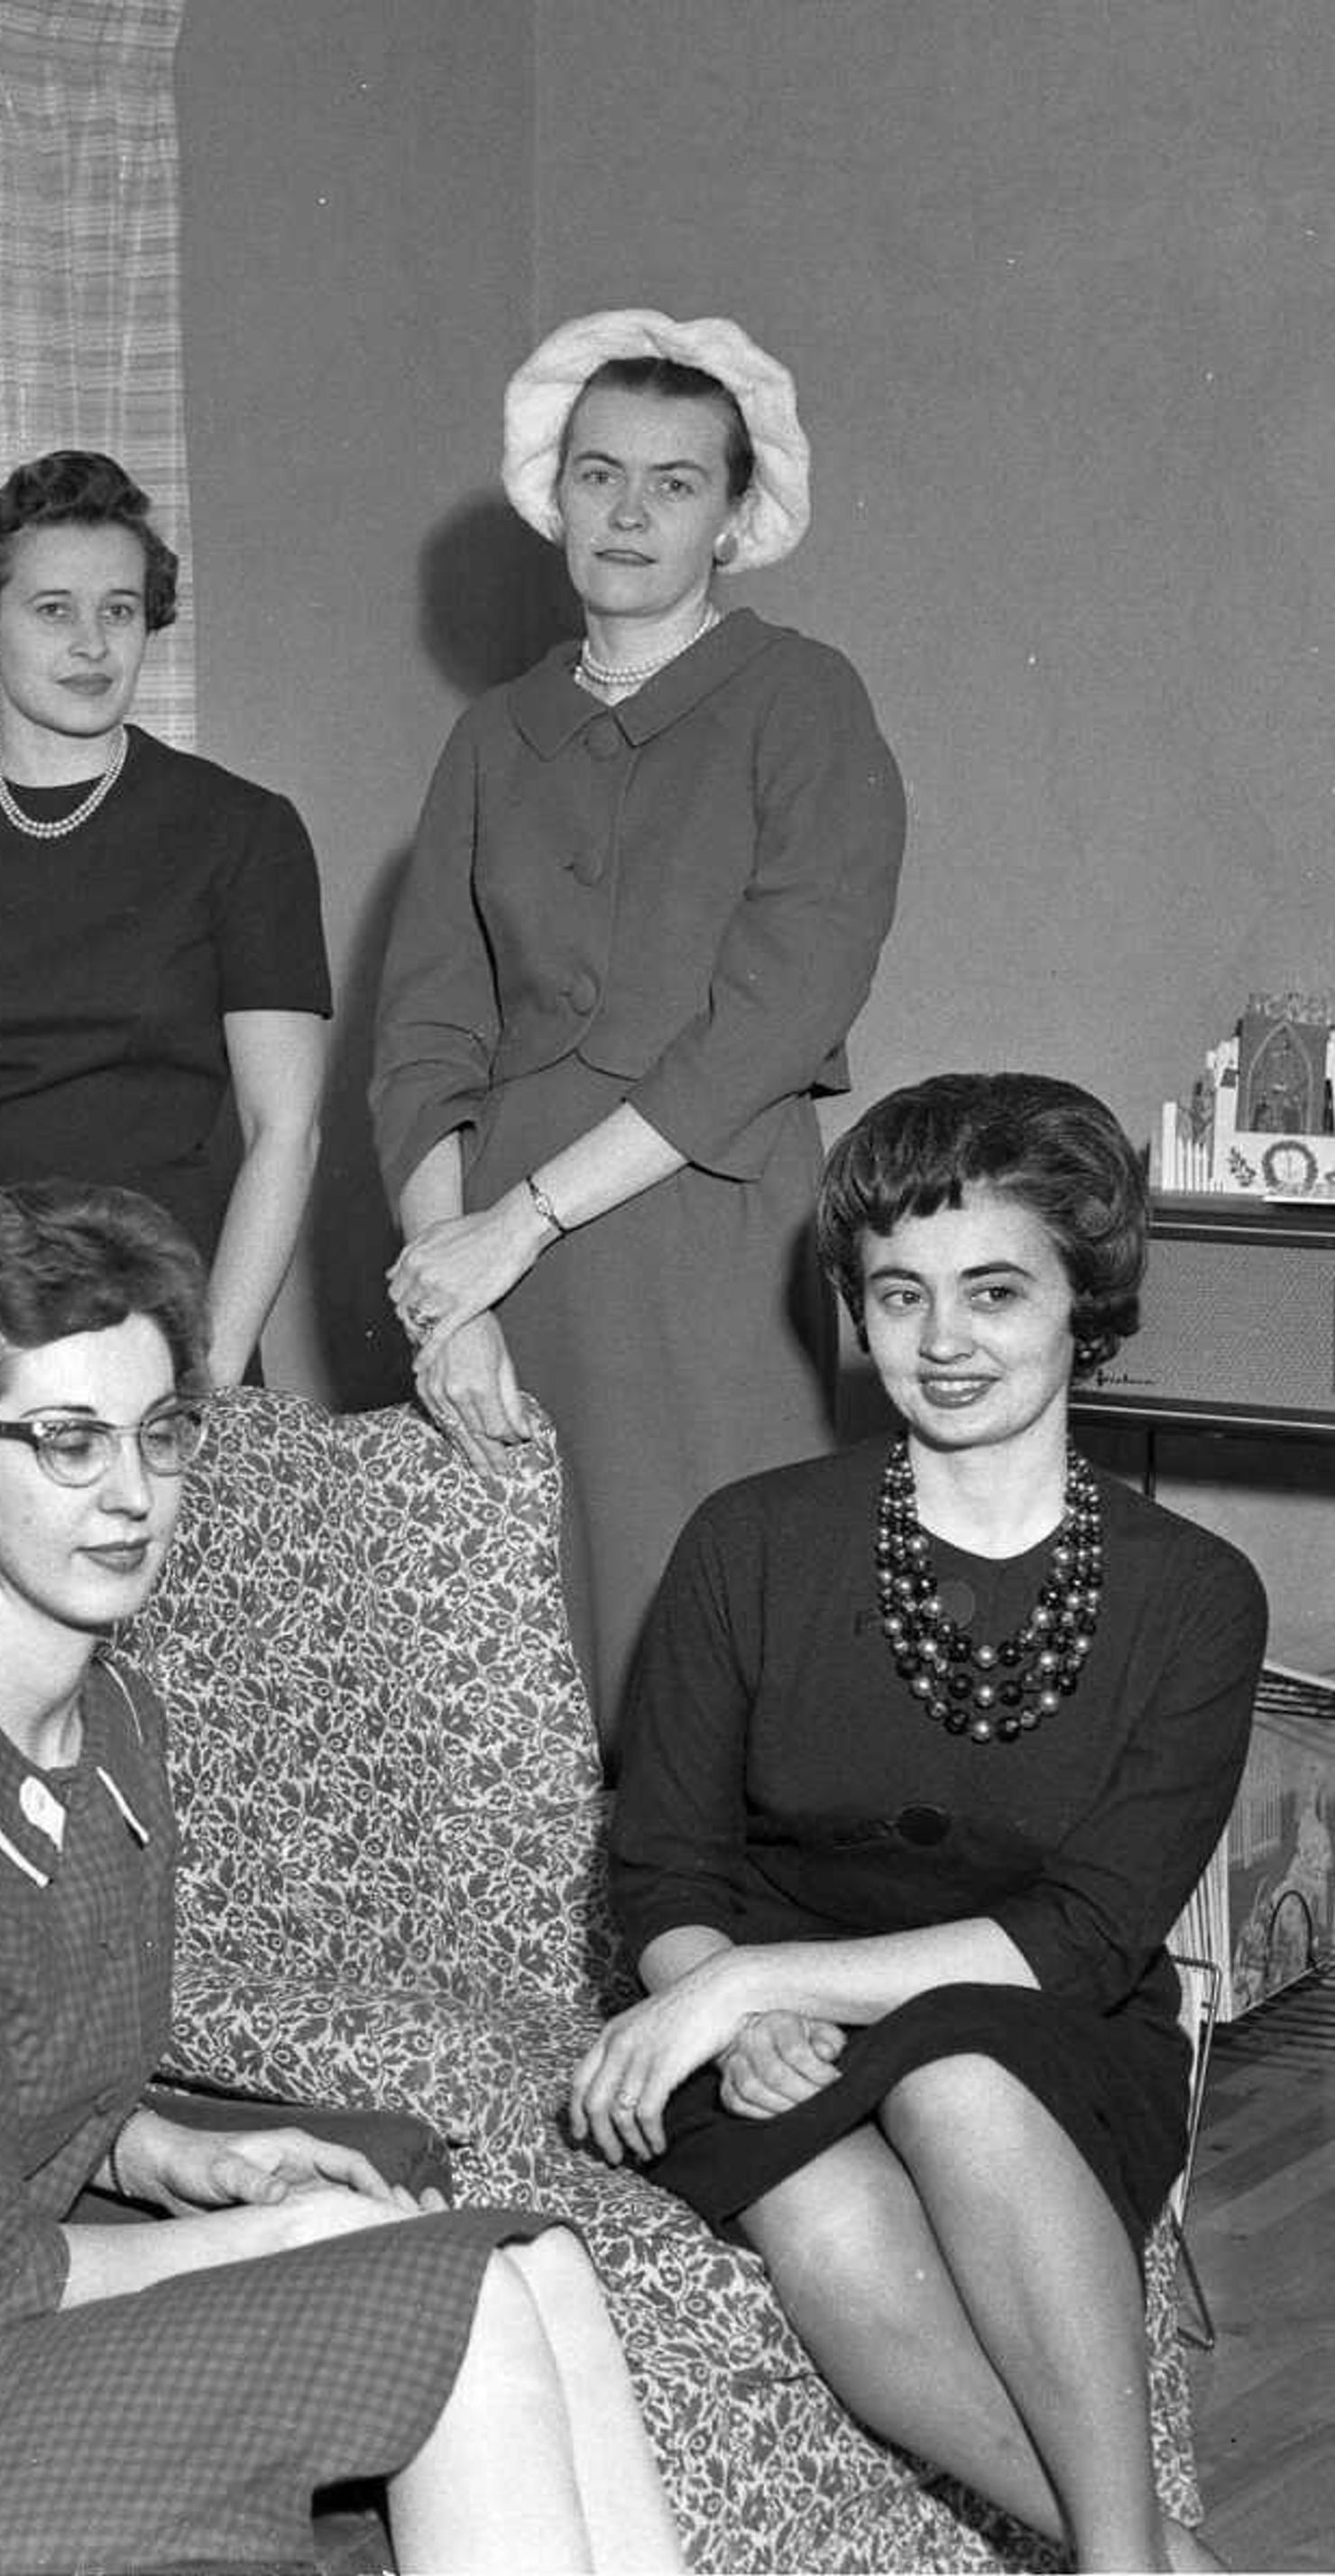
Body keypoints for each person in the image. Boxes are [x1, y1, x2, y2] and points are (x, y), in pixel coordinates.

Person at [0, 1182, 682, 2573]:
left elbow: (11, 2066)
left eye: (158, 1433)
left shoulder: (116, 1718)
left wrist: (182, 2151)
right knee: (469, 2302)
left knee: (541, 2265)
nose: (131, 1494)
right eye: (67, 1442)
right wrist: (280, 2237)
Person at [571, 1074, 1260, 2574]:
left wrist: (761, 1984)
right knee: (813, 2206)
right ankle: (1153, 2562)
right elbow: (670, 1864)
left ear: (1086, 1300)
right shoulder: (747, 1542)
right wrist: (718, 1992)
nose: (943, 1343)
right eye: (900, 1294)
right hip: (762, 2011)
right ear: (856, 1309)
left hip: (1048, 2034)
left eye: (995, 1290)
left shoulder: (1198, 1597)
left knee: (952, 2072)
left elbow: (1080, 1939)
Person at [371, 308, 907, 1725]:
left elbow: (779, 1013)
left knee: (712, 1682)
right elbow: (427, 1033)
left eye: (677, 482)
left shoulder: (801, 700)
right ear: (554, 494)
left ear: (735, 516)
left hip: (708, 1249)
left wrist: (517, 1226)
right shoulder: (493, 735)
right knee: (504, 1690)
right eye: (600, 471)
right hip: (494, 1271)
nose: (629, 510)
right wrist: (448, 1286)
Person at [0, 451, 328, 1385]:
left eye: (118, 611)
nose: (92, 643)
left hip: (170, 1332)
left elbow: (286, 1128)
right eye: (54, 610)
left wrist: (213, 1363)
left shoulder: (242, 831)